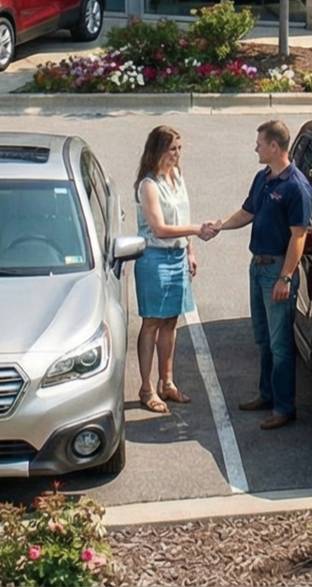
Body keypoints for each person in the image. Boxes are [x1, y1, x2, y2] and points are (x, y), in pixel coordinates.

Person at [201, 120, 312, 430]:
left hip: (277, 271)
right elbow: (248, 211)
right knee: (263, 338)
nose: (256, 148)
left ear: (274, 147)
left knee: (280, 345)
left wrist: (286, 278)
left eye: (260, 144)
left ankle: (284, 408)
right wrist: (221, 225)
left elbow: (298, 237)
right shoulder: (263, 178)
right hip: (258, 267)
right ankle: (267, 394)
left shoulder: (296, 187)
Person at [133, 125, 206, 415]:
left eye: (179, 148)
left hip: (177, 257)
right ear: (157, 150)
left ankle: (167, 382)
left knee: (170, 322)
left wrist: (190, 249)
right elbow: (160, 228)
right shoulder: (148, 185)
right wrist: (198, 230)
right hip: (154, 259)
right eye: (171, 149)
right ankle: (146, 388)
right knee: (152, 322)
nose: (176, 154)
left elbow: (182, 214)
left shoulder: (177, 176)